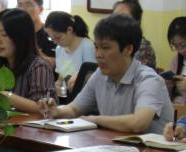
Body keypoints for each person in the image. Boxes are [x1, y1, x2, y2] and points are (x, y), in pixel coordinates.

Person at [39, 14, 173, 134]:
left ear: (128, 49)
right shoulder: (100, 74)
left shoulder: (149, 80)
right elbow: (74, 109)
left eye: (105, 48)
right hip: (114, 148)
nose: (98, 55)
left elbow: (138, 123)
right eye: (96, 47)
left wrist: (95, 120)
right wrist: (57, 111)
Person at [0, 9, 55, 114]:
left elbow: (44, 109)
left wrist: (7, 96)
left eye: (4, 34)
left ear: (21, 37)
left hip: (32, 125)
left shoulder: (38, 66)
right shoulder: (2, 66)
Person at [45, 11, 95, 93]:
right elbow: (61, 79)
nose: (55, 42)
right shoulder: (59, 49)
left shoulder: (87, 46)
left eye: (57, 37)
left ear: (69, 30)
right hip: (66, 94)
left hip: (84, 93)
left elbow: (92, 77)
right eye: (52, 39)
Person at [16, 0, 57, 68]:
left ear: (40, 9)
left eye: (28, 5)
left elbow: (56, 64)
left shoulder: (51, 34)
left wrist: (34, 50)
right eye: (19, 5)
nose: (23, 9)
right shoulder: (16, 32)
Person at [112, 0, 157, 68]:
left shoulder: (144, 50)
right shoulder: (110, 43)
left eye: (123, 17)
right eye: (114, 17)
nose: (116, 21)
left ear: (136, 22)